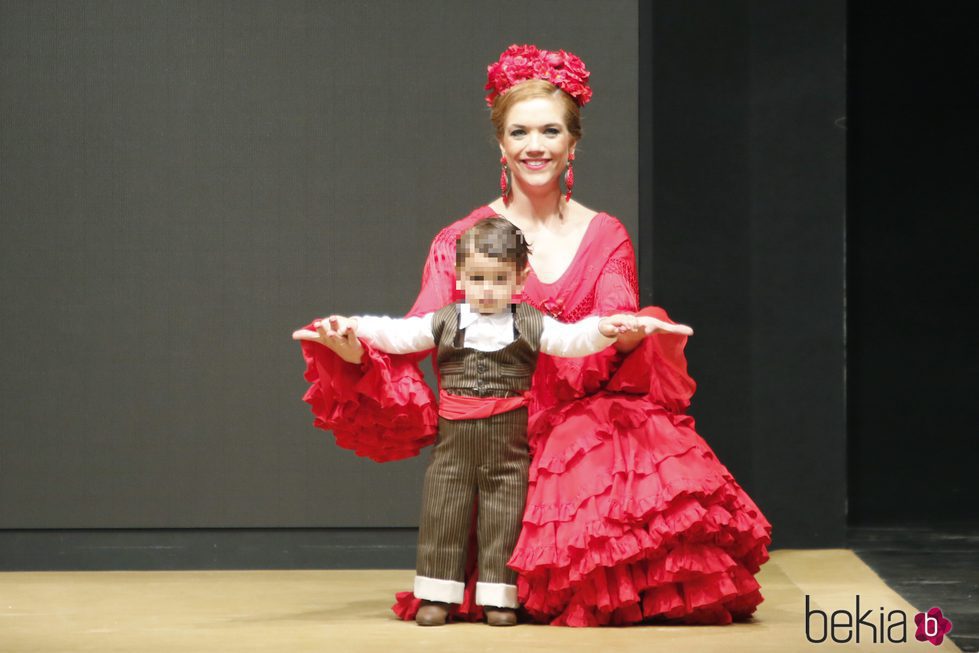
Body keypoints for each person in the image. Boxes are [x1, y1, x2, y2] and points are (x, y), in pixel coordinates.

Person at [293, 44, 772, 627]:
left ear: (574, 143)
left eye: (550, 130)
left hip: (579, 425)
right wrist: (348, 344)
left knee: (625, 436)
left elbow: (606, 334)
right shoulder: (464, 237)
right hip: (500, 427)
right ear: (501, 144)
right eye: (520, 131)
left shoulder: (605, 234)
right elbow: (418, 332)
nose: (535, 145)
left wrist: (630, 333)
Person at [296, 217, 693, 626]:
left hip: (508, 447)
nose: (487, 290)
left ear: (518, 280)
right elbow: (397, 334)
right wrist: (352, 327)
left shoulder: (531, 322)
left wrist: (607, 328)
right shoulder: (444, 319)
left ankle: (499, 598)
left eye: (499, 279)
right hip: (453, 445)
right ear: (461, 276)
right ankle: (437, 594)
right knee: (443, 514)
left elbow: (573, 340)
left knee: (505, 517)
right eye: (478, 278)